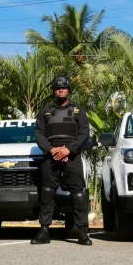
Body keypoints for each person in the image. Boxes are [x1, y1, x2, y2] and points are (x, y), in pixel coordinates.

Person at [31, 76, 93, 246]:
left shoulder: (78, 110)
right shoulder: (45, 111)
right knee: (47, 192)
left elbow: (83, 133)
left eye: (64, 87)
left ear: (69, 90)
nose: (60, 90)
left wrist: (69, 149)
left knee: (78, 194)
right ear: (54, 90)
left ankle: (82, 232)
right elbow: (39, 134)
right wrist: (51, 149)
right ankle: (44, 231)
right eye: (57, 88)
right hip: (51, 155)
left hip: (71, 156)